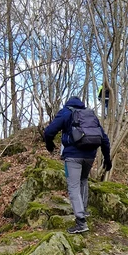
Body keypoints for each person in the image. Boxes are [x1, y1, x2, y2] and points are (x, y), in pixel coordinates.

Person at [42, 96, 112, 234]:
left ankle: (80, 222)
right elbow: (104, 138)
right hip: (90, 155)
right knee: (83, 180)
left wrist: (49, 144)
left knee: (73, 186)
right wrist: (107, 158)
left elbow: (49, 132)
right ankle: (83, 211)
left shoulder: (66, 112)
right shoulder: (90, 115)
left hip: (73, 156)